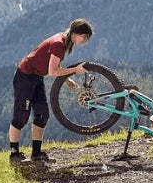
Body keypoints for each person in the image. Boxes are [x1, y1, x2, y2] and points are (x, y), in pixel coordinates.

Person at [8, 19, 93, 162]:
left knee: (42, 114)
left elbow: (54, 64)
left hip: (37, 77)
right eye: (84, 37)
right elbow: (53, 71)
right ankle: (14, 154)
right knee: (21, 117)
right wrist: (75, 70)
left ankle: (36, 153)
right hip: (25, 77)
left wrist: (67, 79)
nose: (85, 41)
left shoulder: (65, 41)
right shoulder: (59, 43)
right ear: (76, 33)